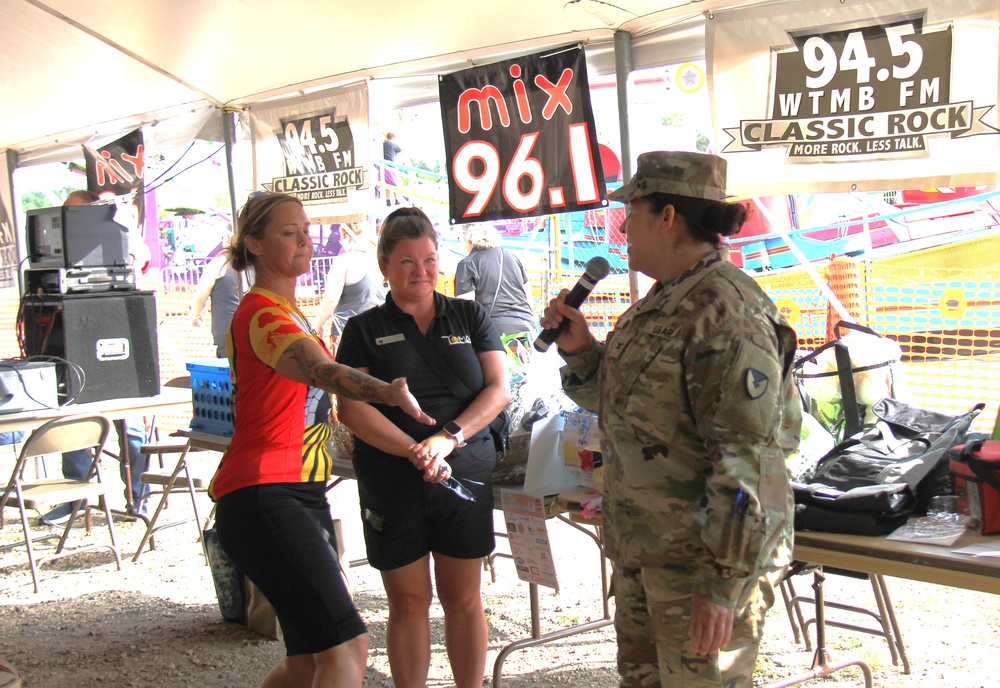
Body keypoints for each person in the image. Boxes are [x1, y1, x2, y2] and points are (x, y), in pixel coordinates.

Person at [540, 151, 801, 688]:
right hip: (648, 552)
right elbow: (626, 404)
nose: (621, 226)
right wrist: (583, 351)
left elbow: (744, 464)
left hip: (701, 565)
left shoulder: (726, 313)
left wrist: (722, 584)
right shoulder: (662, 303)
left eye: (630, 212)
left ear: (667, 217)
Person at [208, 192, 435, 688]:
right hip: (266, 494)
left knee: (307, 660)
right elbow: (320, 370)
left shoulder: (285, 310)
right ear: (253, 243)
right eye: (289, 232)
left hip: (290, 493)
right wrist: (386, 392)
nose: (305, 240)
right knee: (347, 645)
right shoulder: (263, 314)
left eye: (306, 229)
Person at [335, 207, 511, 688]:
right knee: (408, 601)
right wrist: (415, 451)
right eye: (407, 261)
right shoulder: (362, 329)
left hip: (464, 468)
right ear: (385, 266)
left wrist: (446, 438)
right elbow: (351, 408)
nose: (421, 271)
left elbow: (498, 389)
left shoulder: (469, 314)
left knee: (464, 597)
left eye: (429, 259)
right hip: (394, 474)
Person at [40, 189, 148, 526]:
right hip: (77, 358)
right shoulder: (59, 260)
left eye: (76, 214)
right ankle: (75, 498)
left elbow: (139, 260)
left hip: (121, 361)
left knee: (130, 431)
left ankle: (138, 498)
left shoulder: (121, 237)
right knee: (73, 427)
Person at [310, 222, 387, 353]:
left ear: (348, 237)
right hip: (383, 332)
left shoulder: (344, 260)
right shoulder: (381, 260)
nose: (340, 242)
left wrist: (316, 325)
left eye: (341, 238)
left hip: (351, 336)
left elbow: (330, 299)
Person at [454, 222, 536, 339]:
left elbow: (466, 308)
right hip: (528, 327)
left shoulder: (467, 264)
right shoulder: (513, 258)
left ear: (467, 239)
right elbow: (529, 298)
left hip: (496, 333)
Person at [190, 225, 242, 358]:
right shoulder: (258, 262)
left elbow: (200, 295)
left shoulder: (220, 263)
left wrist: (195, 315)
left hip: (228, 332)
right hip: (256, 330)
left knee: (231, 375)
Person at [382, 132, 403, 206]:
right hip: (391, 166)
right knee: (394, 183)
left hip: (383, 166)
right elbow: (400, 150)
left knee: (387, 183)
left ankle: (388, 200)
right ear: (393, 137)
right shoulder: (394, 145)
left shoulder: (383, 144)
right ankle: (396, 199)